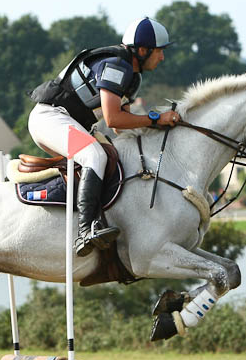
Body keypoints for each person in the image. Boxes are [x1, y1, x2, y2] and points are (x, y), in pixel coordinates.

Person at [27, 17, 181, 256]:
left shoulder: (132, 76)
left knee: (117, 158)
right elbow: (113, 120)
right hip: (50, 119)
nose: (162, 57)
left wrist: (161, 125)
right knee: (95, 157)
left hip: (74, 123)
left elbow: (123, 127)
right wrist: (155, 118)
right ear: (142, 50)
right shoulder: (117, 66)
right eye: (159, 52)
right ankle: (85, 231)